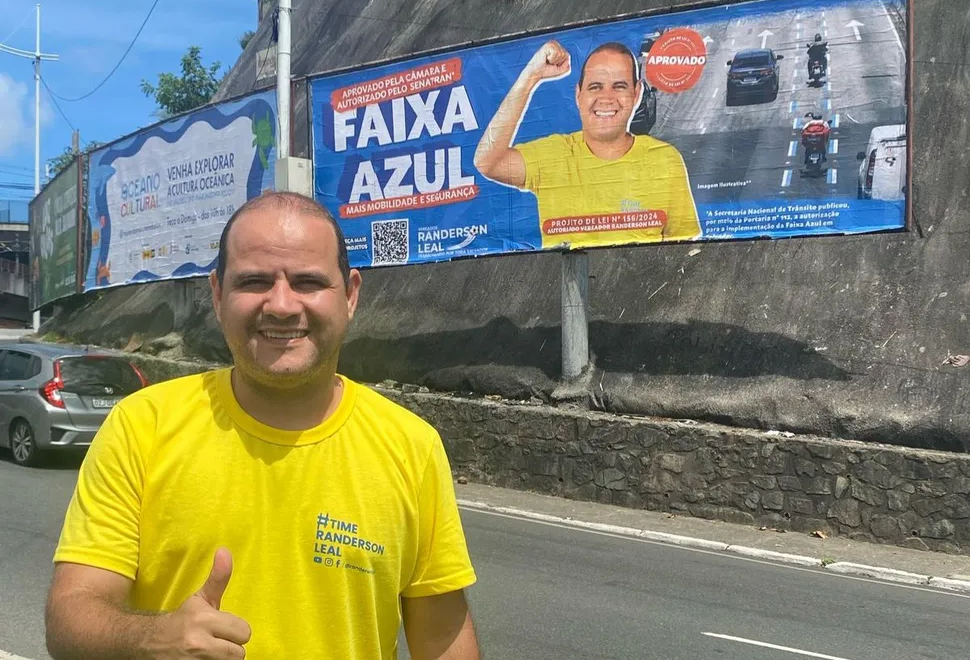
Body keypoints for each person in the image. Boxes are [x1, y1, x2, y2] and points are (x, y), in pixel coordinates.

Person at [44, 191, 480, 660]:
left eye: (308, 282)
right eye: (253, 281)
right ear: (217, 294)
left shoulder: (411, 447)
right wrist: (153, 639)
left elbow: (442, 643)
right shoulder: (142, 426)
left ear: (350, 295)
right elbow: (71, 615)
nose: (281, 305)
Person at [474, 39, 700, 250]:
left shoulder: (664, 160)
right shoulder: (555, 155)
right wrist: (530, 77)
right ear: (578, 95)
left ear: (637, 93)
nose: (606, 98)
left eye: (619, 86)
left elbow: (684, 248)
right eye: (595, 86)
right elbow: (487, 162)